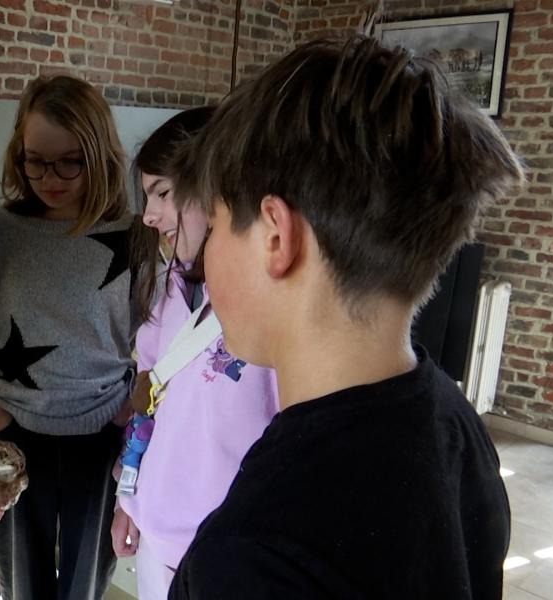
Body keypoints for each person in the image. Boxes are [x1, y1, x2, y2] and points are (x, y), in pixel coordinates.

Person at [167, 36, 521, 598]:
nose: (205, 251)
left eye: (213, 224)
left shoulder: (253, 553)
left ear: (276, 236)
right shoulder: (455, 423)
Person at [0, 74, 145, 599]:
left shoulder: (138, 237)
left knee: (87, 586)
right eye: (35, 160)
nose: (51, 177)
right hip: (14, 442)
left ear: (99, 154)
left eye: (71, 160)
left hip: (104, 439)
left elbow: (162, 350)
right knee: (22, 585)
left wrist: (129, 411)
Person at [109, 107, 279, 599]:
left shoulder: (270, 315)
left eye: (163, 193)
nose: (149, 215)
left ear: (220, 190)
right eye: (147, 197)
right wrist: (129, 499)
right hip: (156, 544)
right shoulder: (166, 293)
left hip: (226, 560)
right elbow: (149, 404)